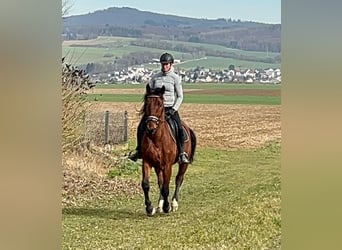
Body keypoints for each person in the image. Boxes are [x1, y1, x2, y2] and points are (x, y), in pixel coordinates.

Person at [128, 52, 190, 164]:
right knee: (141, 126)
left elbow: (180, 96)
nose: (164, 66)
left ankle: (181, 153)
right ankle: (138, 151)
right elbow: (149, 93)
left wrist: (174, 109)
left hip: (169, 108)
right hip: (155, 110)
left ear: (171, 64)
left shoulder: (175, 78)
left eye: (166, 64)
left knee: (179, 128)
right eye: (163, 64)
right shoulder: (155, 78)